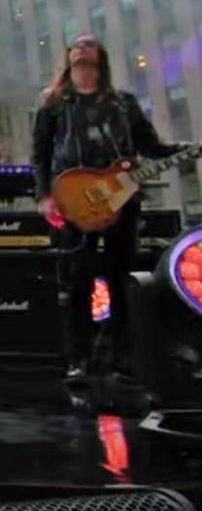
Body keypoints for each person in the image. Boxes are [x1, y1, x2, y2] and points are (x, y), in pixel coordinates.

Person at [32, 33, 190, 383]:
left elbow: (151, 146)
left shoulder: (124, 104)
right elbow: (39, 156)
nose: (83, 67)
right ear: (69, 65)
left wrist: (187, 148)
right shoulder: (54, 105)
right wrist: (45, 197)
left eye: (89, 61)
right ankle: (79, 359)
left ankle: (122, 359)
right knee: (78, 282)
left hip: (122, 201)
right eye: (77, 61)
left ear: (100, 65)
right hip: (74, 202)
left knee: (122, 279)